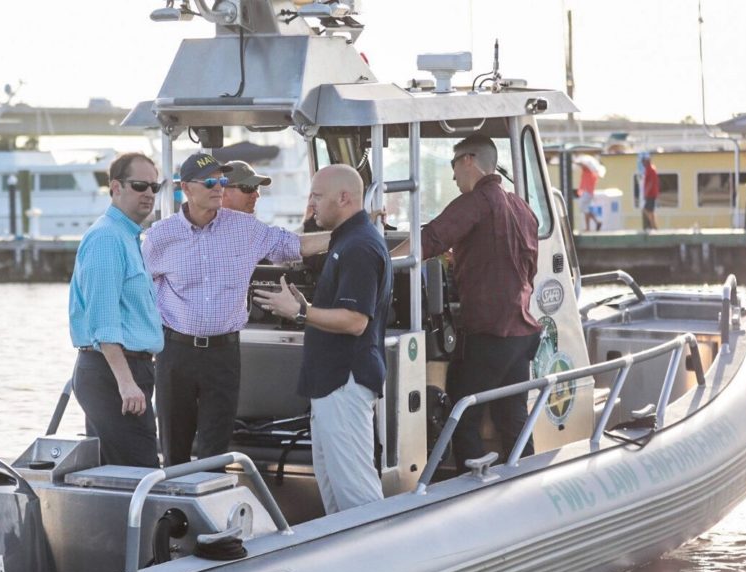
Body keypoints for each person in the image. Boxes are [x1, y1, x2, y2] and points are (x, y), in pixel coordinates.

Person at [142, 153, 329, 466]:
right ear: (186, 188)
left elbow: (293, 245)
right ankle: (173, 513)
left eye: (223, 181)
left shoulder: (246, 228)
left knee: (216, 451)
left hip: (223, 355)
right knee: (174, 449)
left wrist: (348, 234)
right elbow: (136, 293)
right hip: (175, 354)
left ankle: (208, 511)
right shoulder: (160, 236)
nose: (219, 188)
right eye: (211, 182)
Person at [391, 134, 541, 471]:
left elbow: (430, 239)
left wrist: (383, 264)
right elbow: (524, 266)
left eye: (453, 165)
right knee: (512, 414)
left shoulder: (477, 201)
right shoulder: (522, 207)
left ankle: (469, 485)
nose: (453, 175)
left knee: (460, 412)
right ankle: (526, 476)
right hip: (521, 333)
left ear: (469, 161)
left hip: (490, 332)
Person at [252, 164, 393, 514]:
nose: (311, 205)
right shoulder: (348, 240)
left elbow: (355, 321)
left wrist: (299, 312)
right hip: (331, 384)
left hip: (343, 383)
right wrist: (305, 307)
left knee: (357, 497)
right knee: (334, 496)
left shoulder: (359, 246)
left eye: (316, 196)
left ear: (344, 198)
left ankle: (381, 564)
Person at [68, 152, 164, 466]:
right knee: (139, 472)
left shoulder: (128, 236)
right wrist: (126, 383)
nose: (149, 193)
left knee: (120, 473)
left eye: (154, 186)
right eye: (140, 185)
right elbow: (103, 321)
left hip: (126, 370)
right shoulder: (108, 238)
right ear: (116, 188)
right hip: (114, 373)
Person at [577, 158, 600, 231]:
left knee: (584, 208)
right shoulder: (592, 173)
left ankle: (588, 227)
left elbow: (584, 166)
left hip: (587, 192)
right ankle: (596, 222)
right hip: (588, 192)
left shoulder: (589, 171)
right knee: (585, 209)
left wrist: (578, 162)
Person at [640, 152, 659, 230]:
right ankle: (653, 226)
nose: (642, 163)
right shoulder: (649, 169)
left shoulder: (650, 169)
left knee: (647, 210)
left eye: (643, 161)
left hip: (651, 194)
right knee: (649, 211)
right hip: (651, 194)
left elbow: (650, 183)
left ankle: (653, 227)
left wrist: (646, 193)